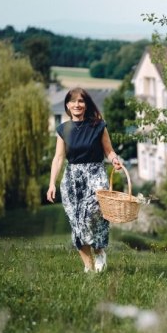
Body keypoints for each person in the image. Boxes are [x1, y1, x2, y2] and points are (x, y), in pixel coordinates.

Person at [47, 87, 124, 272]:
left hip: (95, 175)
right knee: (76, 222)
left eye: (81, 101)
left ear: (86, 104)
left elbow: (109, 150)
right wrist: (52, 184)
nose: (77, 104)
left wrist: (114, 160)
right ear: (67, 105)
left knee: (93, 215)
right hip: (72, 178)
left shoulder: (98, 125)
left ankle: (99, 252)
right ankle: (88, 267)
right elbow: (58, 158)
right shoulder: (63, 129)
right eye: (73, 101)